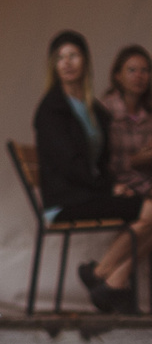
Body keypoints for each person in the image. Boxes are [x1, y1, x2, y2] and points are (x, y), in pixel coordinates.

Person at [33, 30, 150, 314]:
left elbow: (100, 163)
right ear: (53, 65)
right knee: (149, 211)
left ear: (85, 61)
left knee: (149, 214)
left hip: (86, 193)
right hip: (65, 200)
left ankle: (111, 280)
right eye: (60, 58)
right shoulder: (51, 109)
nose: (67, 62)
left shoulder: (94, 110)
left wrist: (114, 185)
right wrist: (109, 188)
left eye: (73, 55)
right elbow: (71, 166)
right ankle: (102, 276)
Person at [104, 44, 152, 202]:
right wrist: (134, 160)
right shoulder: (105, 110)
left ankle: (133, 229)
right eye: (132, 70)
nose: (139, 76)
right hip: (118, 186)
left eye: (145, 71)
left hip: (145, 185)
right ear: (118, 75)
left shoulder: (148, 112)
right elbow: (100, 163)